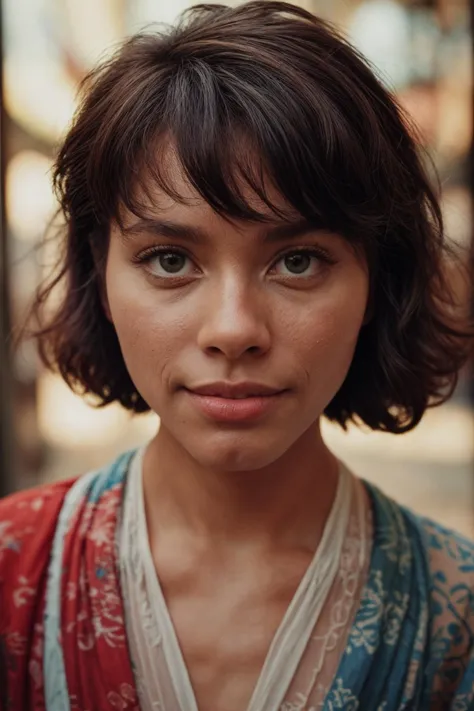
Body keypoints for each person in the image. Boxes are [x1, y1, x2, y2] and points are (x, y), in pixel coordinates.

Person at [1, 2, 473, 709]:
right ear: (100, 275)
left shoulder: (455, 621)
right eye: (168, 259)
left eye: (299, 261)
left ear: (378, 280)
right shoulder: (14, 575)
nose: (233, 328)